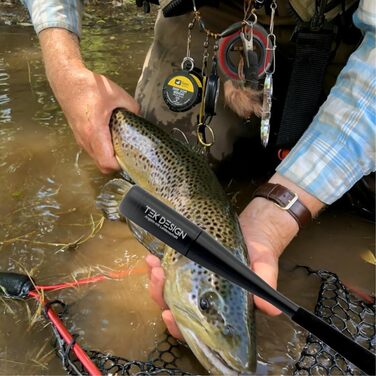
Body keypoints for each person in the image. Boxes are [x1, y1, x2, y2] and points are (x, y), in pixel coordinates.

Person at [21, 0, 375, 340]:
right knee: (128, 164)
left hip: (351, 31)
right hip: (212, 19)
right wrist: (69, 76)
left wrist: (275, 217)